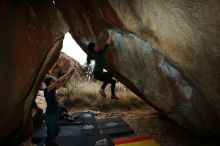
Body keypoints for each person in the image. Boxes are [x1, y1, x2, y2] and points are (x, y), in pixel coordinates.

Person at [44, 68, 75, 146]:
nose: (54, 82)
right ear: (49, 83)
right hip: (50, 114)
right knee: (50, 132)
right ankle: (47, 144)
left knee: (57, 129)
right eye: (52, 81)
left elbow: (62, 82)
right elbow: (58, 81)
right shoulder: (47, 89)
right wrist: (68, 72)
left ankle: (54, 142)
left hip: (55, 112)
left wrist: (70, 75)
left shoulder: (53, 89)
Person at [87, 32, 119, 99]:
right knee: (110, 74)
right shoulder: (94, 54)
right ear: (93, 48)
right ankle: (102, 89)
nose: (97, 46)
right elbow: (89, 56)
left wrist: (110, 36)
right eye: (95, 46)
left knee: (113, 82)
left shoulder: (100, 52)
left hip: (99, 74)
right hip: (97, 73)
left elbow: (106, 45)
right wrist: (88, 64)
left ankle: (113, 95)